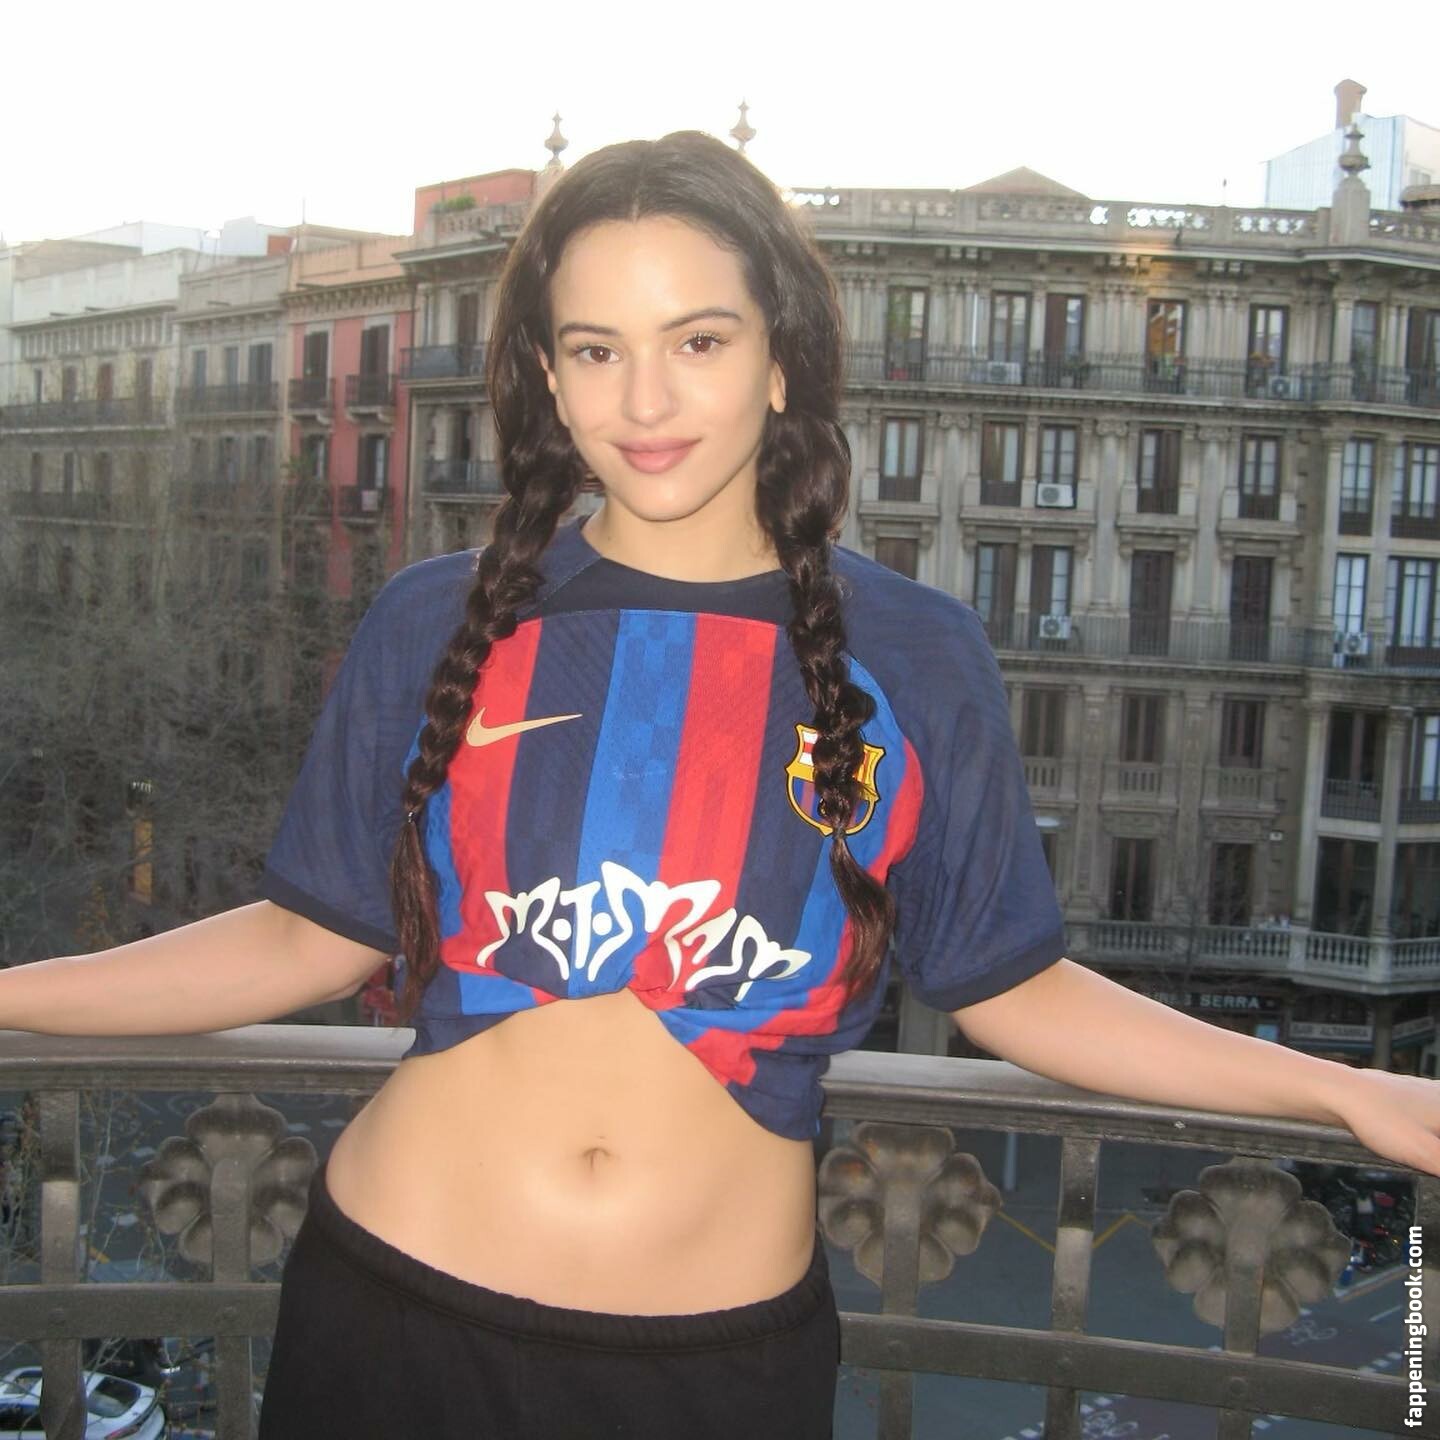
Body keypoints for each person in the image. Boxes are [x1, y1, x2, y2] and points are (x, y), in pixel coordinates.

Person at [3, 131, 1439, 1440]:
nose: (645, 400)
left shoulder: (915, 655)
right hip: (393, 1313)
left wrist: (1336, 1091)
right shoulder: (436, 618)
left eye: (697, 339)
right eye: (596, 349)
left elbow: (1016, 988)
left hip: (712, 1369)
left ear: (779, 358)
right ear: (549, 375)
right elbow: (301, 938)